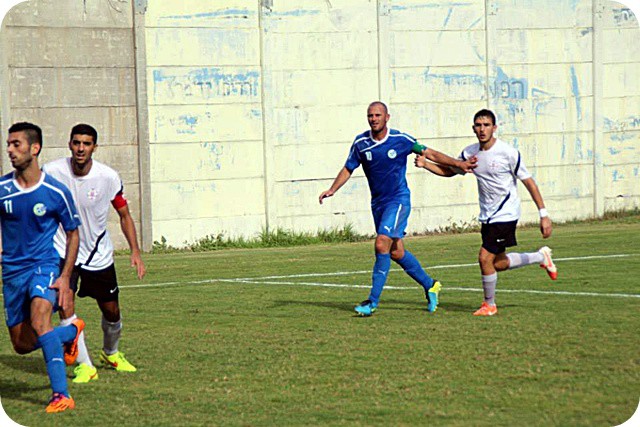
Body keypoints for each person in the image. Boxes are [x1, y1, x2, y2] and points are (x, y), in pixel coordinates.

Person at [319, 102, 477, 316]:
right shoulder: (361, 143)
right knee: (396, 251)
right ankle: (430, 285)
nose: (374, 119)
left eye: (378, 115)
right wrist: (332, 189)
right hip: (378, 204)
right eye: (370, 115)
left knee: (381, 242)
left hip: (398, 200)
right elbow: (348, 168)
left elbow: (430, 153)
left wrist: (459, 164)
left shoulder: (401, 140)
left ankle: (372, 302)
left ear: (387, 117)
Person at [414, 109, 557, 316]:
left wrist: (543, 214)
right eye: (478, 125)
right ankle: (541, 256)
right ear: (473, 128)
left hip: (506, 214)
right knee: (498, 263)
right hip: (488, 216)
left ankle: (489, 304)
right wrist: (426, 164)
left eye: (486, 125)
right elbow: (450, 171)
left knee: (484, 258)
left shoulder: (508, 153)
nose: (482, 129)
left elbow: (529, 182)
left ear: (494, 128)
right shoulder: (470, 153)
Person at [43, 123, 146, 383]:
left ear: (94, 147)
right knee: (65, 305)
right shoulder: (52, 171)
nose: (81, 148)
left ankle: (111, 353)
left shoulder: (108, 177)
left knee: (112, 311)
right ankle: (85, 365)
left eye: (86, 144)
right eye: (76, 142)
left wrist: (135, 251)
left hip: (97, 254)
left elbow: (124, 214)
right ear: (70, 144)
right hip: (62, 250)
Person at [1, 122, 85, 413]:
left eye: (16, 144)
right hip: (12, 273)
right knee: (22, 345)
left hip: (43, 266)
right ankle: (70, 333)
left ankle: (61, 395)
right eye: (8, 144)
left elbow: (73, 233)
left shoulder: (55, 191)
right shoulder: (2, 189)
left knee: (40, 321)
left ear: (34, 148)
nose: (10, 150)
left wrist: (65, 277)